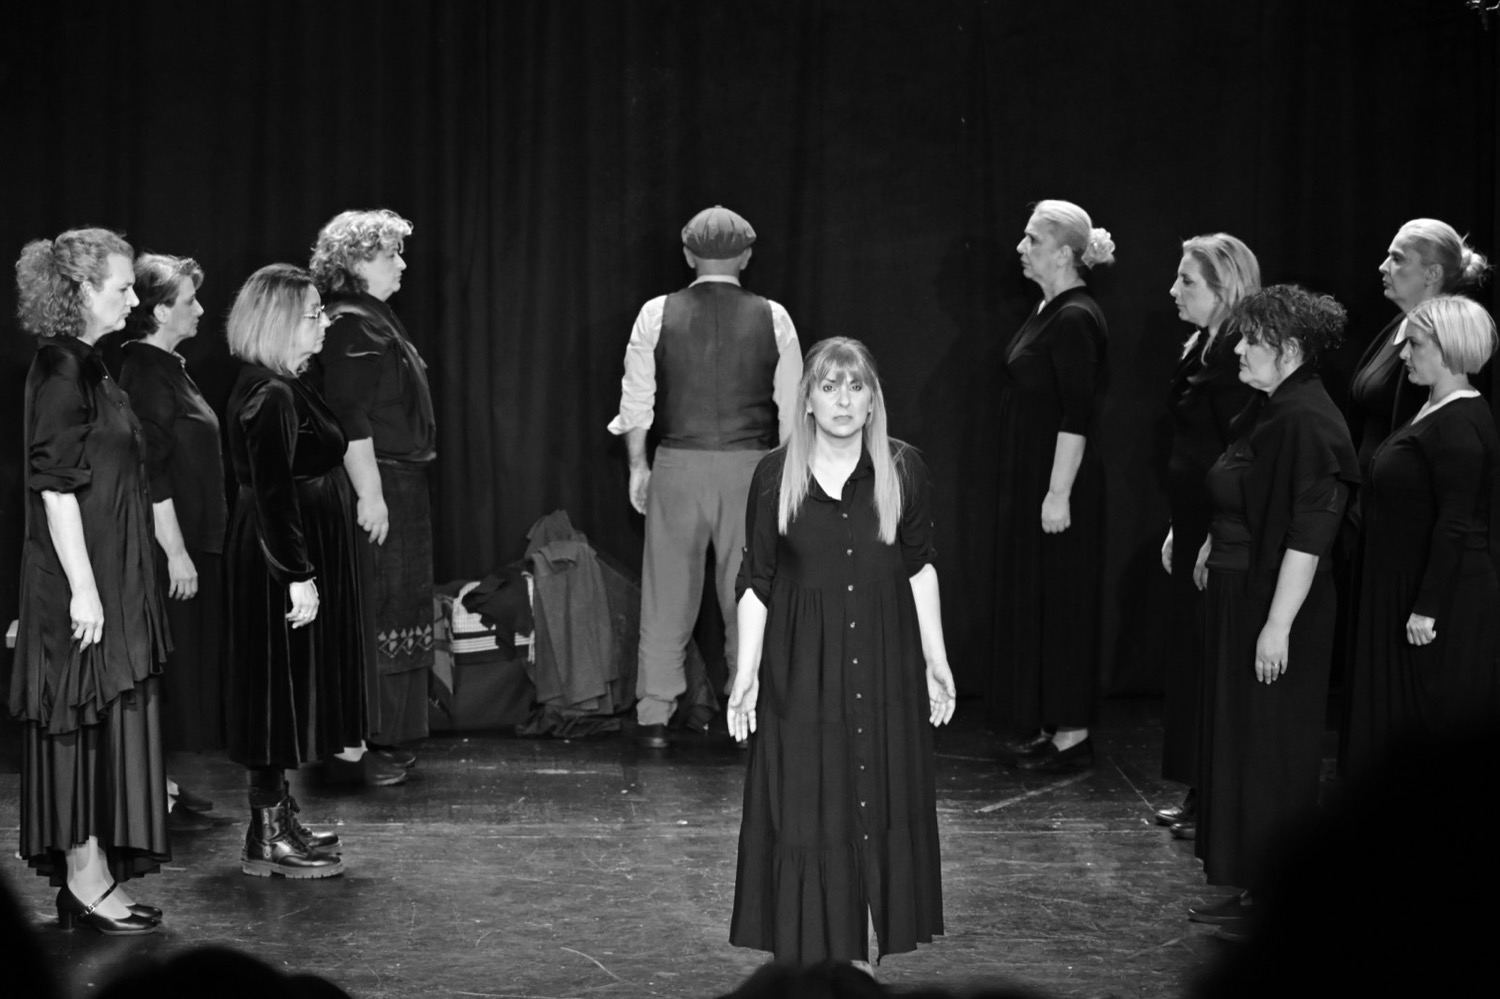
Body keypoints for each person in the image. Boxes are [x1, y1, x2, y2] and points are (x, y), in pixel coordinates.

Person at [727, 337, 956, 968]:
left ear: (873, 400)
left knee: (876, 800)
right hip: (802, 670)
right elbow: (757, 582)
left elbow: (919, 567)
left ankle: (857, 960)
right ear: (807, 400)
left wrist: (936, 659)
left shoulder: (903, 469)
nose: (844, 400)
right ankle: (819, 961)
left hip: (883, 666)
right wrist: (746, 672)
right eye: (829, 387)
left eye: (857, 387)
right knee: (810, 808)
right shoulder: (775, 474)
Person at [1188, 285, 1358, 939]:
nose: (1239, 351)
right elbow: (1242, 483)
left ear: (1287, 349)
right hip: (1242, 595)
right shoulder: (1271, 407)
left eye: (1252, 341)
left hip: (1275, 604)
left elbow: (1311, 535)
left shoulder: (1310, 421)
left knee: (1273, 748)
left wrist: (1278, 625)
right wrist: (1211, 541)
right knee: (1245, 742)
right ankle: (1255, 884)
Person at [11, 228, 167, 934]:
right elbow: (53, 485)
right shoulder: (59, 369)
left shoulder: (88, 365)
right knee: (77, 718)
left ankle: (95, 871)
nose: (134, 300)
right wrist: (82, 586)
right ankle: (83, 878)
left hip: (107, 572)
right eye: (123, 287)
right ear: (80, 291)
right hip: (80, 578)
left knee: (102, 718)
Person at [608, 205, 802, 749]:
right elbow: (792, 412)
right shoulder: (774, 317)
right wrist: (788, 481)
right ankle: (750, 707)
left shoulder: (656, 313)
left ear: (689, 255)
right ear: (746, 256)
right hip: (751, 470)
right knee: (751, 590)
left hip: (678, 466)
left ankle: (654, 714)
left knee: (666, 592)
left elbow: (637, 402)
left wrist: (638, 467)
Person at [224, 263, 365, 878]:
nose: (325, 323)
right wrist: (296, 573)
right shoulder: (271, 394)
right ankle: (267, 833)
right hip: (276, 555)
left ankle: (280, 817)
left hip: (288, 548)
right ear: (280, 322)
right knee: (272, 689)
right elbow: (273, 493)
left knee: (284, 686)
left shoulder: (286, 383)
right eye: (313, 315)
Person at [1343, 296, 1500, 772]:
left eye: (1414, 345)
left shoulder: (1459, 424)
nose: (1405, 355)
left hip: (1442, 600)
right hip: (1403, 585)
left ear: (1450, 348)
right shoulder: (1432, 407)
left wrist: (1427, 608)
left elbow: (1456, 523)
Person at [991, 199, 1114, 772]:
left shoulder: (1075, 317)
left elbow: (1076, 411)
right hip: (1038, 480)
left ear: (1064, 254)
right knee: (1044, 601)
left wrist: (1058, 492)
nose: (1022, 248)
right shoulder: (1051, 309)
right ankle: (1054, 723)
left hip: (1062, 486)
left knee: (1065, 604)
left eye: (1032, 239)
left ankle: (1073, 733)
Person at [310, 208, 430, 778]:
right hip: (376, 478)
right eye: (390, 255)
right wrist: (370, 494)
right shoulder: (350, 323)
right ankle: (354, 746)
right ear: (356, 262)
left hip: (398, 480)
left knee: (393, 607)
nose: (401, 264)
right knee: (371, 608)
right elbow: (348, 413)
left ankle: (381, 737)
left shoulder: (374, 318)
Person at [111, 254, 227, 833]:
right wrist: (177, 553)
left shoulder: (167, 367)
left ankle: (165, 786)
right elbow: (149, 472)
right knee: (162, 673)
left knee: (180, 674)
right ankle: (151, 796)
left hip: (188, 545)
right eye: (189, 300)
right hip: (165, 552)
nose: (200, 309)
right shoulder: (145, 374)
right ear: (159, 312)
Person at [1155, 234, 1260, 839]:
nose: (1174, 290)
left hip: (1219, 527)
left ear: (1225, 290)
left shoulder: (1235, 358)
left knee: (1213, 656)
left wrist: (1216, 533)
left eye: (1187, 281)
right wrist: (1181, 524)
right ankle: (1200, 787)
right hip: (1195, 520)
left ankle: (1216, 794)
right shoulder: (1204, 345)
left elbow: (1238, 453)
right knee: (1194, 656)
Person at [1348, 219, 1491, 472]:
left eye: (1397, 258)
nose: (1383, 267)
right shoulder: (1398, 323)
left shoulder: (1444, 342)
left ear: (1432, 274)